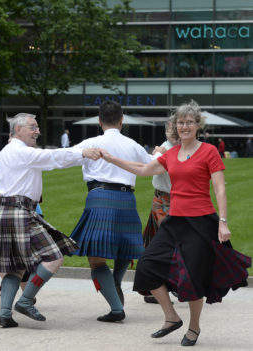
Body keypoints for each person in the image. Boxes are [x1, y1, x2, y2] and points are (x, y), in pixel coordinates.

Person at [100, 100, 251, 347]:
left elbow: (220, 189)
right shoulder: (170, 154)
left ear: (197, 125)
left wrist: (223, 222)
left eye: (189, 122)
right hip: (174, 222)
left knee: (192, 278)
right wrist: (111, 159)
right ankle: (171, 317)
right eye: (181, 122)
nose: (185, 126)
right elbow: (142, 169)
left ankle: (194, 328)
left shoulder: (209, 151)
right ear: (175, 126)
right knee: (147, 265)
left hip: (201, 222)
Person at [0, 112, 100, 328]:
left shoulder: (6, 152)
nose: (37, 131)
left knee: (15, 266)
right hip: (20, 211)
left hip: (8, 211)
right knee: (55, 257)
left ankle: (5, 314)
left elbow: (49, 158)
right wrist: (83, 153)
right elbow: (54, 158)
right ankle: (25, 300)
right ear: (18, 130)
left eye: (37, 126)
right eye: (33, 127)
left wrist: (81, 151)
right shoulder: (21, 152)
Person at [70, 100, 157, 323]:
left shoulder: (90, 142)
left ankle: (117, 308)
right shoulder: (133, 145)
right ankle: (116, 280)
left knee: (96, 260)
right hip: (127, 197)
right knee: (125, 244)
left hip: (99, 197)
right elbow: (152, 165)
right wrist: (159, 153)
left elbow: (65, 156)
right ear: (122, 120)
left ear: (99, 121)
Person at [142, 121, 178, 304]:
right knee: (163, 245)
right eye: (171, 128)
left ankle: (174, 283)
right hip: (163, 200)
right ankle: (157, 287)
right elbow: (148, 169)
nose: (174, 131)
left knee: (167, 244)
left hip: (178, 200)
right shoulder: (164, 148)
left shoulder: (179, 147)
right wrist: (163, 155)